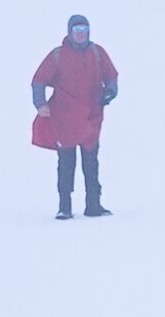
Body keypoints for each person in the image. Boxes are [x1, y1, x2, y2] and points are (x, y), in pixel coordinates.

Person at [31, 15, 119, 219]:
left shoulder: (97, 53)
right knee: (66, 163)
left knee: (91, 163)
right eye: (77, 30)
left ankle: (93, 205)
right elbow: (39, 80)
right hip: (65, 119)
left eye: (84, 29)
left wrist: (110, 92)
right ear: (70, 32)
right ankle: (65, 207)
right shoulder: (58, 55)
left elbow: (112, 76)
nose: (80, 33)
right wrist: (40, 104)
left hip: (91, 118)